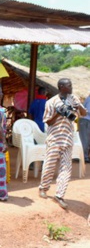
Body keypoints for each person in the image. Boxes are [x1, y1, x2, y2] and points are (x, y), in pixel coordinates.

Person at [38, 79, 87, 209]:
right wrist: (57, 113)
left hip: (68, 138)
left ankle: (59, 195)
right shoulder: (51, 102)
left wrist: (78, 107)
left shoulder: (74, 98)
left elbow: (84, 113)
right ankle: (43, 188)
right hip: (54, 138)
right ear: (61, 87)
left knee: (66, 167)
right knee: (49, 165)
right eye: (69, 85)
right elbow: (47, 122)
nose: (71, 87)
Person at [79, 91, 90, 163]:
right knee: (85, 139)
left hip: (86, 121)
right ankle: (84, 157)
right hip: (85, 121)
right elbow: (88, 111)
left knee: (87, 139)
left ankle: (85, 156)